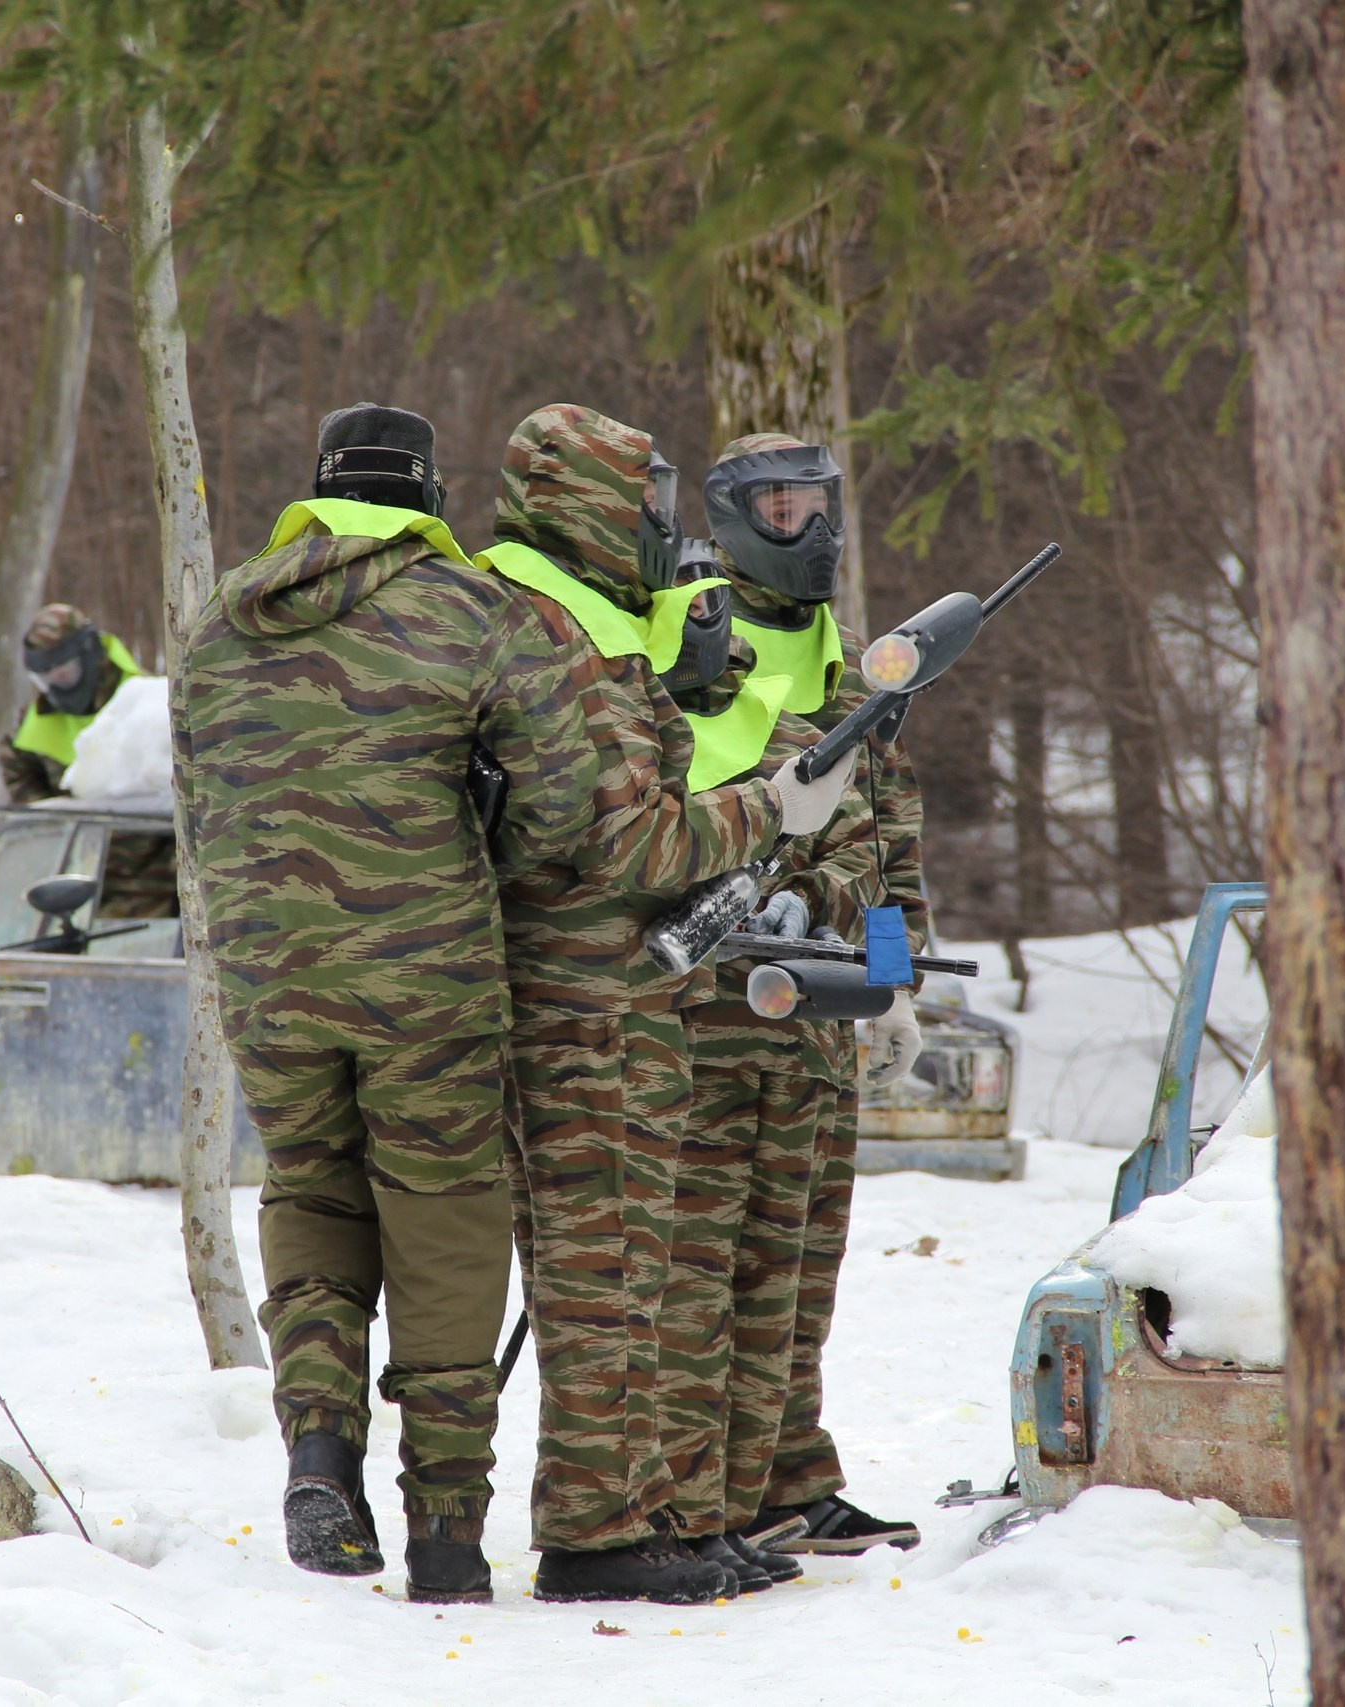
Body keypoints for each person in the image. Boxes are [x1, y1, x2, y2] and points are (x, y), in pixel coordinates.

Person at [175, 403, 644, 1605]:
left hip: (267, 979)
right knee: (443, 1225)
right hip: (426, 980)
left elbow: (203, 798)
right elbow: (560, 813)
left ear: (320, 489)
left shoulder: (217, 622)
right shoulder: (474, 613)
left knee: (311, 1196)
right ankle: (443, 1530)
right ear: (428, 495)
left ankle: (319, 1455)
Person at [475, 405, 857, 1604]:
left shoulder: (580, 621)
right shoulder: (552, 631)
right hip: (585, 1006)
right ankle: (597, 1533)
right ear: (586, 503)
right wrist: (771, 811)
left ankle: (654, 1518)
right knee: (610, 1281)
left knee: (639, 1280)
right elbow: (630, 843)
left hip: (624, 1001)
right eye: (640, 498)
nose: (657, 521)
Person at [698, 433, 930, 1557]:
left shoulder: (855, 666)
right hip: (718, 1018)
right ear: (734, 518)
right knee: (719, 1271)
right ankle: (712, 1492)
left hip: (828, 1021)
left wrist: (895, 979)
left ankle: (790, 1477)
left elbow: (887, 848)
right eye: (786, 509)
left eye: (823, 504)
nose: (815, 529)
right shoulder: (695, 644)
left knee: (801, 1266)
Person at [0, 605, 174, 919]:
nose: (57, 685)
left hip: (150, 876)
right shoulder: (35, 723)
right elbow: (21, 777)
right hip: (76, 871)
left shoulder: (143, 703)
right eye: (46, 679)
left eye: (65, 674)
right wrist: (59, 816)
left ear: (89, 655)